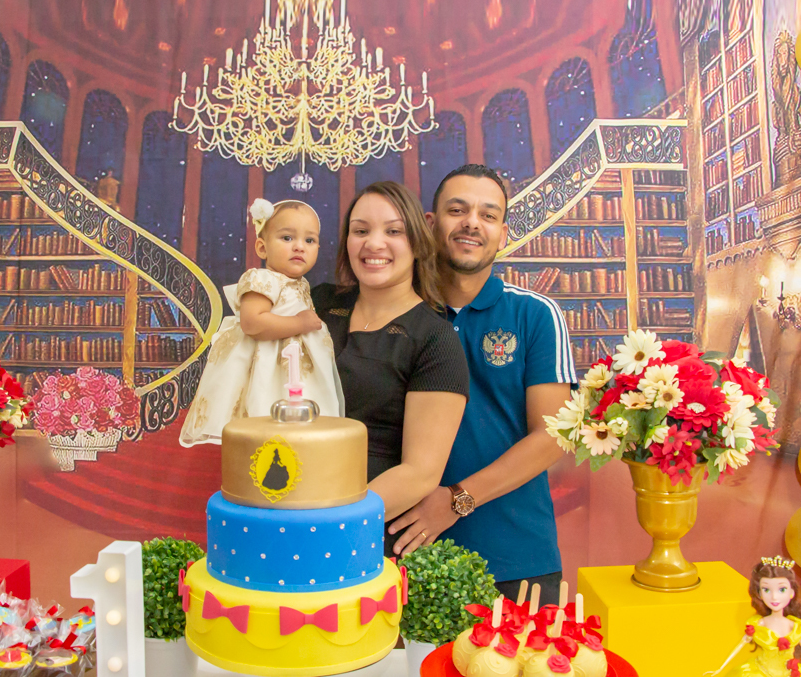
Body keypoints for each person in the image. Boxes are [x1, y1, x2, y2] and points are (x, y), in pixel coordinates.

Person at [388, 164, 575, 606]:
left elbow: (553, 436)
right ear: (431, 225)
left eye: (488, 215)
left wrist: (455, 501)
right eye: (457, 210)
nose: (472, 222)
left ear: (503, 233)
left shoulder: (535, 315)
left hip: (515, 557)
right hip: (403, 551)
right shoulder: (392, 312)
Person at [312, 181, 469, 552]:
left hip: (363, 533)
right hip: (286, 501)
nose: (374, 244)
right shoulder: (318, 303)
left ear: (417, 242)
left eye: (393, 231)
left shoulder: (436, 339)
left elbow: (420, 473)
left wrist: (324, 525)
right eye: (360, 230)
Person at [179, 199, 344, 447]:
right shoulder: (261, 278)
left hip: (296, 370)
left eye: (309, 240)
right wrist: (300, 322)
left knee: (303, 433)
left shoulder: (302, 285)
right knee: (265, 422)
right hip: (269, 367)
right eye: (287, 238)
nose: (299, 246)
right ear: (262, 248)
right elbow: (252, 323)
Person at [707, 557, 801, 677]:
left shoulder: (795, 626)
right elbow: (739, 646)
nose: (774, 597)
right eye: (766, 590)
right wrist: (720, 669)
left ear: (792, 593)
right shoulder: (759, 624)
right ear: (760, 594)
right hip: (760, 672)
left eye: (782, 590)